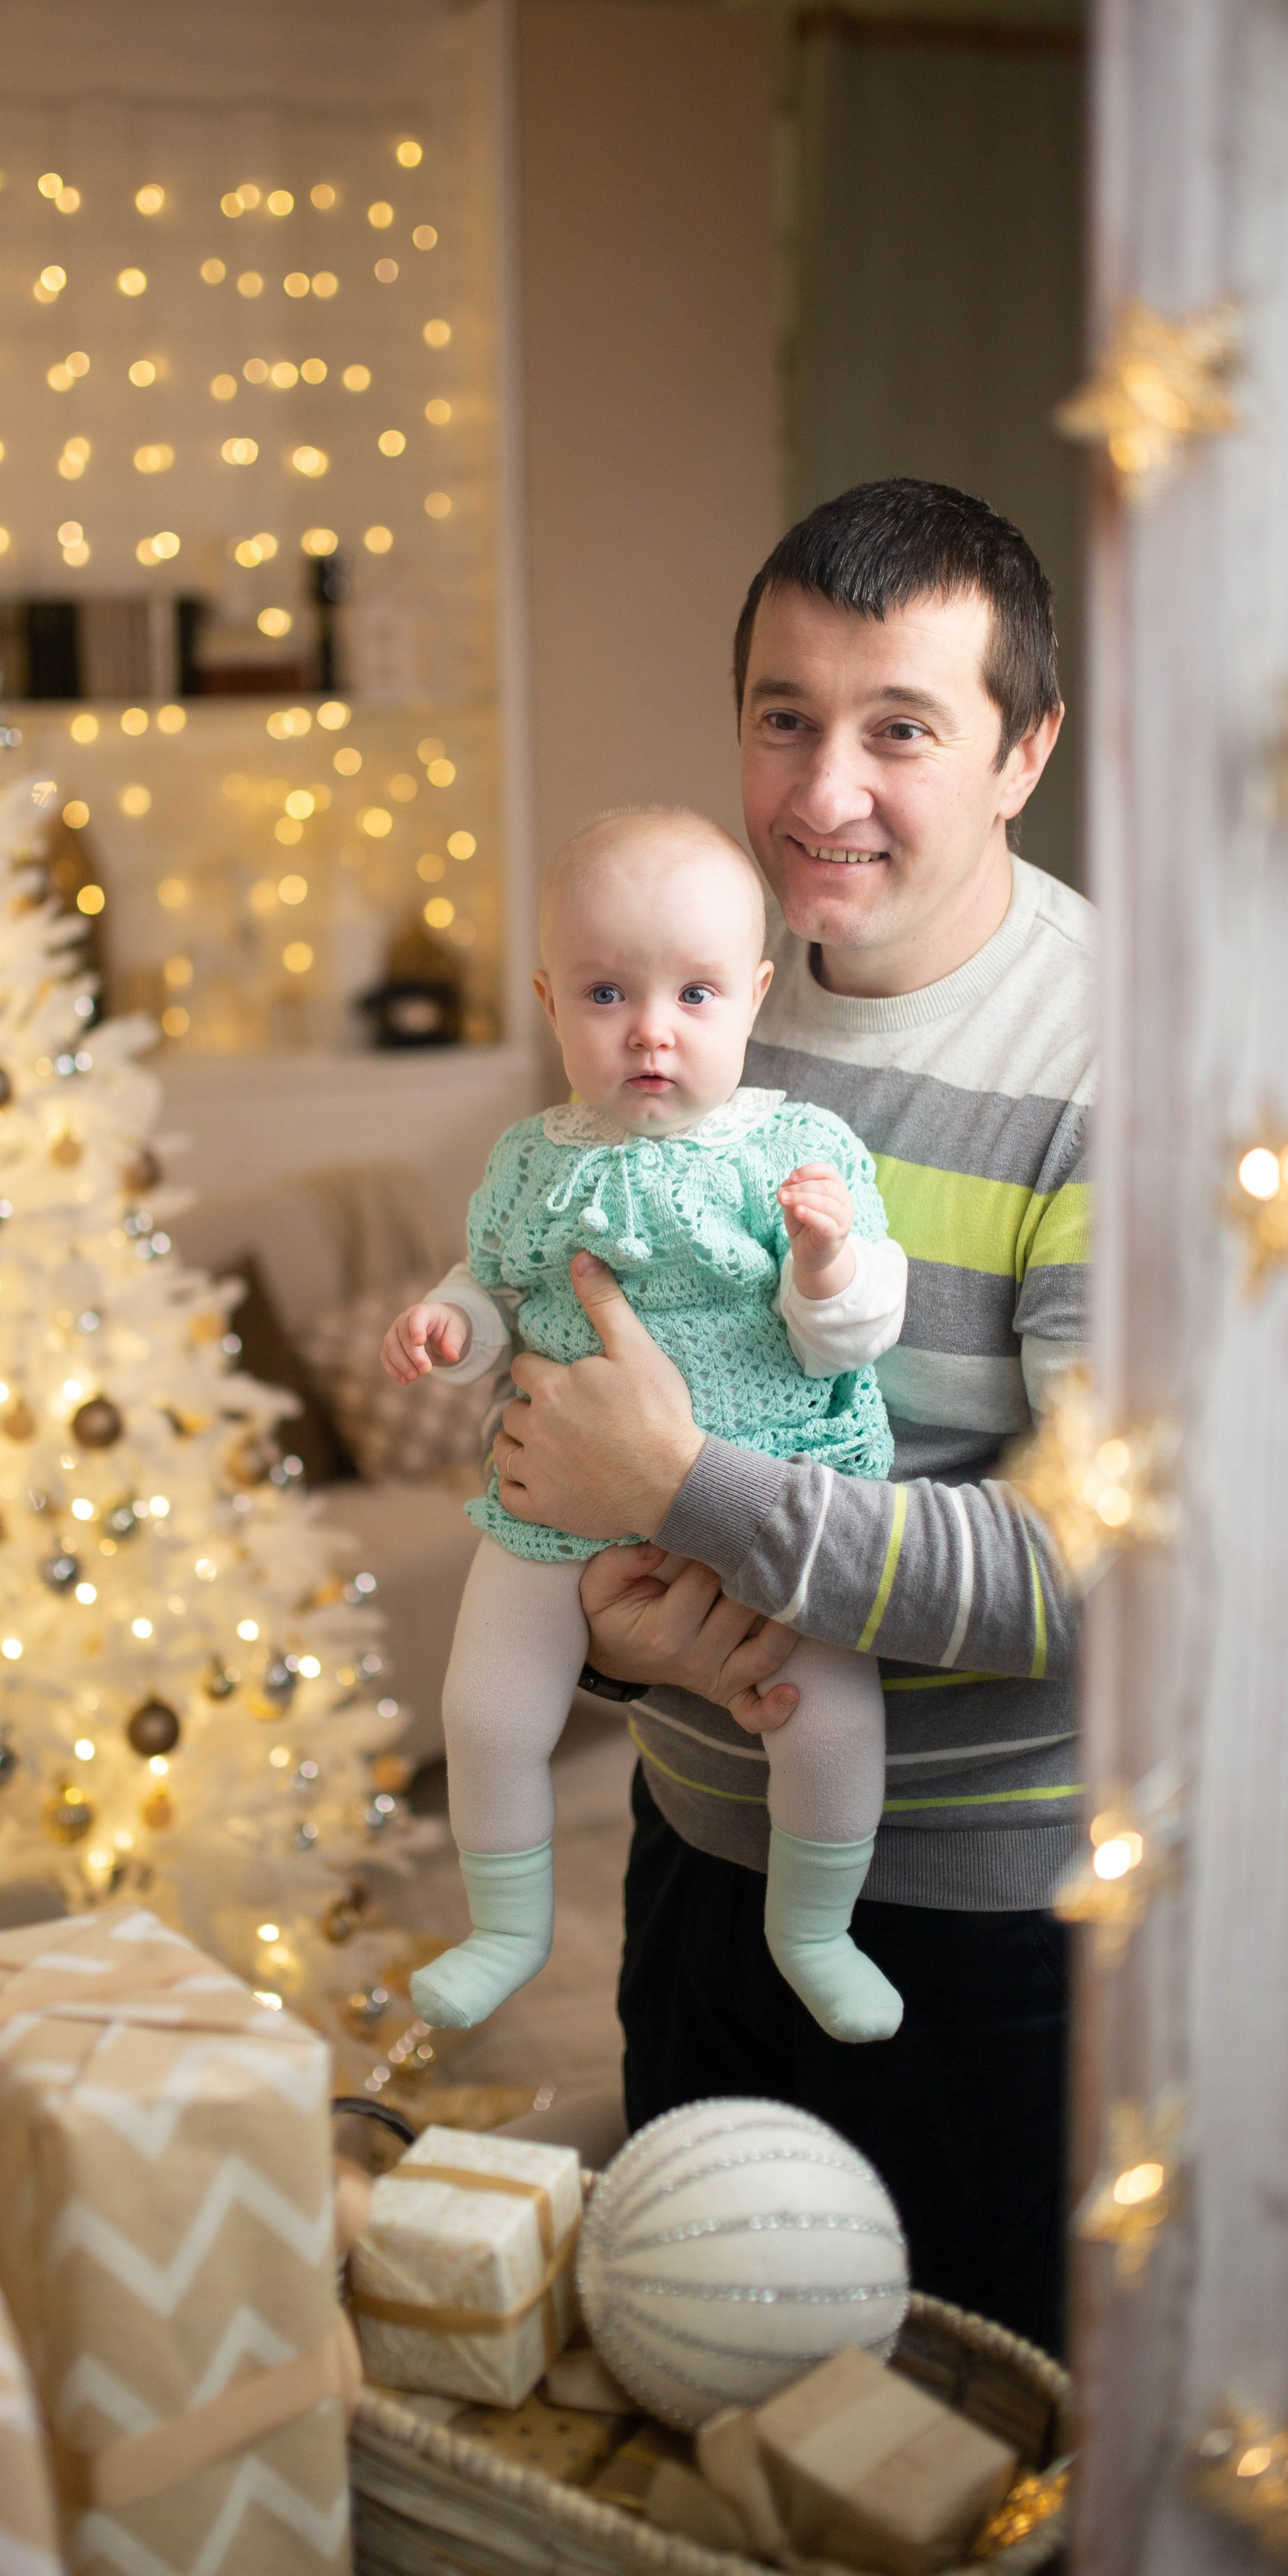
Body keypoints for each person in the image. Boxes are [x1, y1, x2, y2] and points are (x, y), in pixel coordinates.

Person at [488, 479, 1091, 2355]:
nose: (822, 790)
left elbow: (1087, 1577)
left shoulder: (1116, 1071)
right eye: (782, 716)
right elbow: (562, 1373)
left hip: (983, 1945)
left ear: (1022, 754)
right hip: (690, 1864)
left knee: (948, 2494)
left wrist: (693, 1488)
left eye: (899, 728)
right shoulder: (700, 999)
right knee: (694, 2420)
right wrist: (597, 1624)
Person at [380, 808, 908, 2043]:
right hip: (563, 1507)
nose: (652, 1030)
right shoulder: (530, 1161)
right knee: (488, 1710)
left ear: (754, 996)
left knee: (833, 1717)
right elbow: (497, 1286)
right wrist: (454, 1326)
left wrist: (828, 1266)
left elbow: (856, 1334)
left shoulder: (792, 1149)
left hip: (775, 1496)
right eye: (608, 993)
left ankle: (813, 1928)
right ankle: (507, 1929)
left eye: (696, 994)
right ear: (550, 1001)